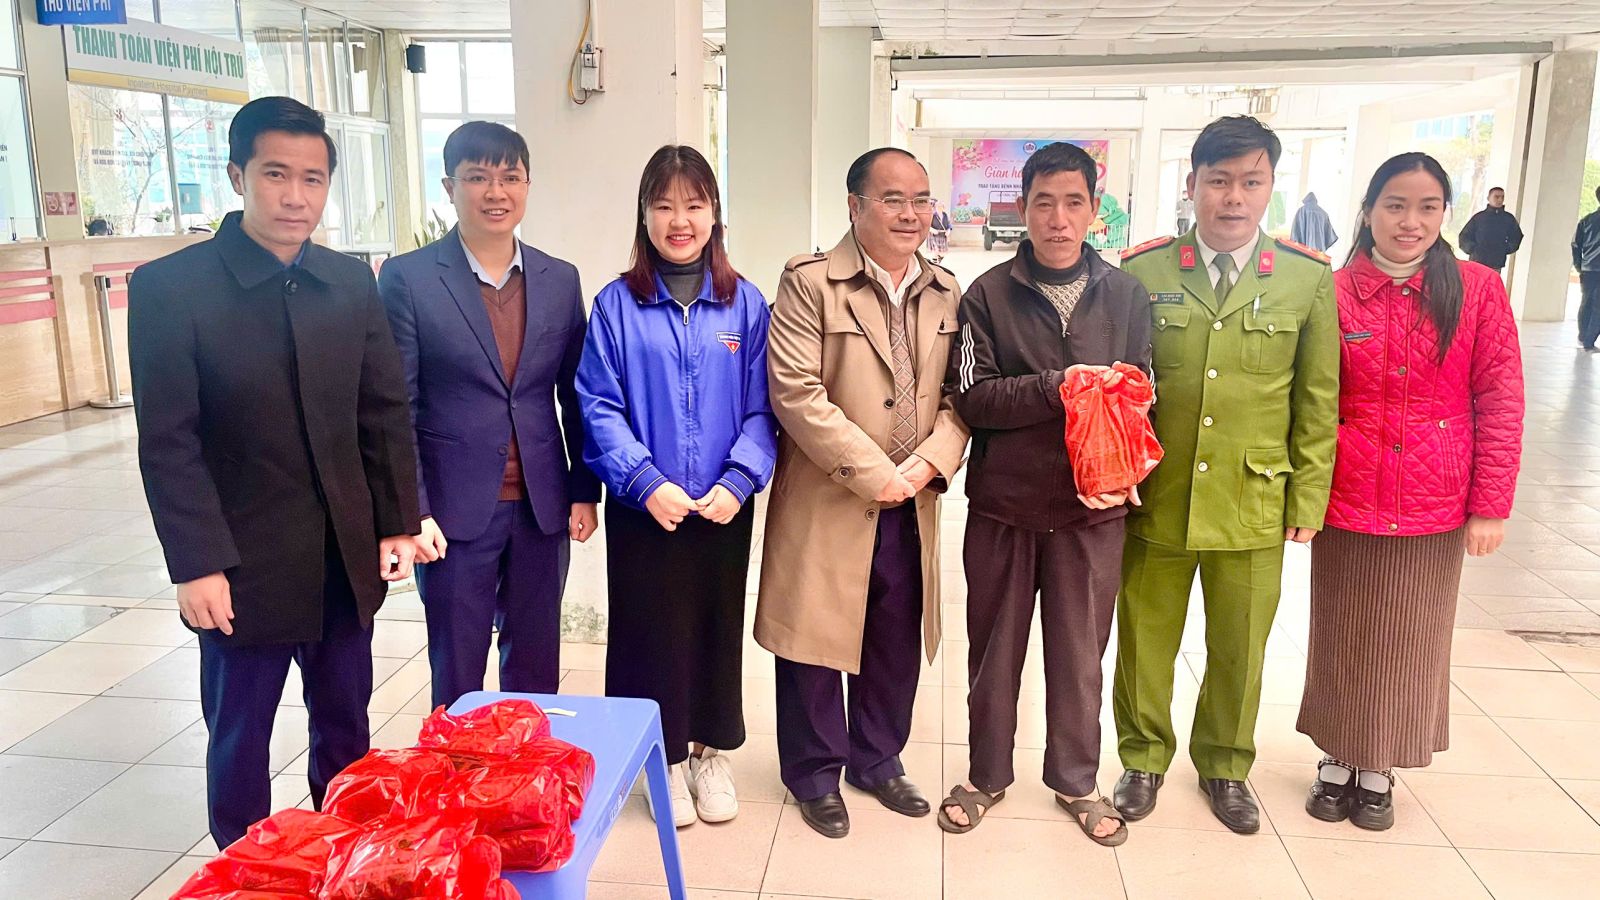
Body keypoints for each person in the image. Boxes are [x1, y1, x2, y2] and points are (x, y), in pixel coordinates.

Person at [128, 96, 420, 848]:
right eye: (275, 174)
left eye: (313, 179)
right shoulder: (171, 289)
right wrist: (196, 563)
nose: (296, 196)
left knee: (346, 731)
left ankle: (349, 863)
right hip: (240, 568)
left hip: (341, 560)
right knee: (240, 741)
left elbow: (382, 412)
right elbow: (169, 443)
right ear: (237, 176)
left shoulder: (348, 283)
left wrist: (396, 521)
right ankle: (246, 877)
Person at [1111, 115, 1340, 835]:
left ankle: (1226, 765)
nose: (1233, 198)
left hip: (1253, 497)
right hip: (1159, 492)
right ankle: (1142, 758)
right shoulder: (1143, 272)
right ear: (1193, 185)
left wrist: (1308, 496)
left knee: (1241, 645)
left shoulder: (1307, 279)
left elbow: (1318, 399)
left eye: (1250, 182)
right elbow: (1119, 390)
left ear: (1271, 187)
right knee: (1145, 637)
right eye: (1219, 181)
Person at [1297, 152, 1524, 831]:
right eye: (1395, 205)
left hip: (1436, 498)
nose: (1410, 221)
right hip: (1347, 492)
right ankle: (1337, 757)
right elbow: (1308, 400)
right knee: (1343, 631)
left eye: (1428, 207)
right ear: (1368, 209)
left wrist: (1490, 505)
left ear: (1445, 213)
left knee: (1411, 637)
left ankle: (1381, 767)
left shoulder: (1478, 290)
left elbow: (1501, 398)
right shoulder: (1331, 291)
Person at [938, 141, 1149, 846]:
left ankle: (1077, 781)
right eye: (1043, 203)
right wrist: (1060, 386)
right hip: (1005, 506)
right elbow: (974, 397)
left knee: (1081, 657)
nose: (1058, 219)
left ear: (1095, 210)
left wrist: (1124, 470)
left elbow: (1142, 393)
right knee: (993, 653)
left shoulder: (1124, 295)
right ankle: (985, 775)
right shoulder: (988, 294)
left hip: (1094, 512)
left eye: (1073, 203)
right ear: (1023, 210)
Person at [757, 147, 969, 839]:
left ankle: (878, 759)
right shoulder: (810, 283)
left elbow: (962, 395)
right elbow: (796, 391)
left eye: (921, 199)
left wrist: (931, 462)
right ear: (855, 206)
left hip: (913, 499)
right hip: (831, 496)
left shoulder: (946, 291)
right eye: (892, 199)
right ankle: (815, 772)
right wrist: (875, 470)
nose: (910, 214)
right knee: (816, 634)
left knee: (894, 633)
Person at [576, 145, 777, 828]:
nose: (679, 220)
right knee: (649, 632)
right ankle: (657, 759)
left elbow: (764, 406)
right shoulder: (615, 305)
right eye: (663, 205)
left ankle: (708, 754)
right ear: (644, 215)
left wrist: (741, 478)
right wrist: (642, 480)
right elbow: (597, 404)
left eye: (693, 204)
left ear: (715, 213)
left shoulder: (745, 304)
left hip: (723, 504)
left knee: (715, 628)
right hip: (645, 506)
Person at [379, 121, 600, 710]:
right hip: (451, 513)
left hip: (540, 507)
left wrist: (584, 490)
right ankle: (458, 763)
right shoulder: (408, 278)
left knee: (536, 665)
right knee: (458, 670)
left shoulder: (559, 279)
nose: (496, 192)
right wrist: (412, 508)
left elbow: (576, 395)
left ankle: (529, 763)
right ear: (450, 187)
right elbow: (396, 407)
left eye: (510, 177)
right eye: (478, 177)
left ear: (527, 186)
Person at [1457, 187, 1523, 273]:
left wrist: (1505, 249)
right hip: (1477, 261)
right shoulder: (1479, 217)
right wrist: (1472, 249)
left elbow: (1517, 236)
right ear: (1488, 198)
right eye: (1496, 197)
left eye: (1502, 197)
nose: (1500, 200)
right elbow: (1464, 236)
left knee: (1492, 281)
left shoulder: (1508, 219)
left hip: (1496, 262)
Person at [1573, 186, 1600, 351]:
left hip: (1588, 268)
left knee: (1586, 302)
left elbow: (1576, 245)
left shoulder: (1587, 220)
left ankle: (1583, 336)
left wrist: (1579, 265)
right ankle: (1589, 341)